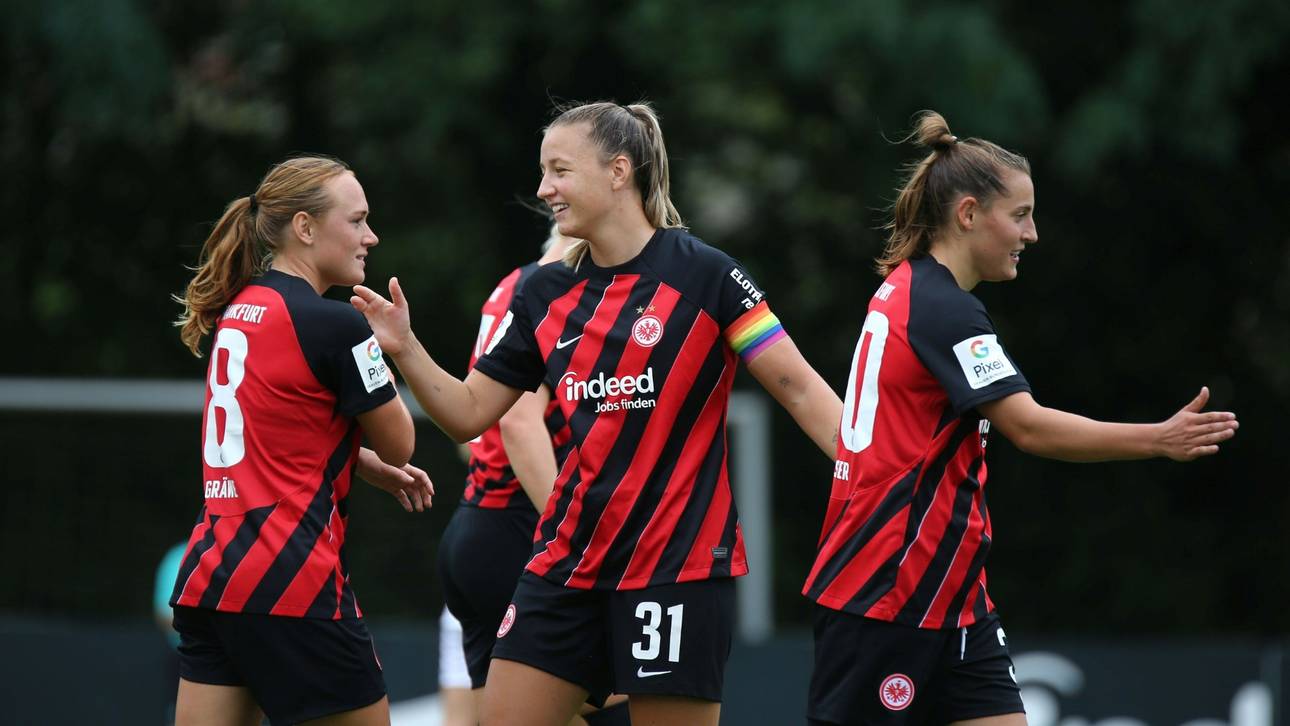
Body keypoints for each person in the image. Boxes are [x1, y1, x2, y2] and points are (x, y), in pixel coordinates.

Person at [352, 101, 843, 726]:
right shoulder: (542, 291)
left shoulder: (708, 275)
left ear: (618, 172)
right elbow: (468, 414)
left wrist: (883, 475)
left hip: (675, 571)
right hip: (565, 566)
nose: (543, 189)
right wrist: (407, 348)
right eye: (542, 171)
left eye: (559, 170)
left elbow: (800, 389)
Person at [802, 111, 1240, 725]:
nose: (1032, 234)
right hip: (888, 594)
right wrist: (1157, 439)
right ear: (969, 214)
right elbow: (1027, 426)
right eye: (1021, 216)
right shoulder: (943, 309)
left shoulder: (916, 291)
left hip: (954, 600)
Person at [170, 155, 432, 726]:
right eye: (358, 220)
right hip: (291, 582)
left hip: (212, 581)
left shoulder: (238, 309)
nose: (371, 236)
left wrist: (353, 461)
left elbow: (276, 431)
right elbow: (403, 444)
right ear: (306, 228)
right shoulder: (336, 324)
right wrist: (393, 345)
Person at [436, 224, 630, 725]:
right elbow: (518, 421)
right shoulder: (556, 291)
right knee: (620, 699)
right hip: (520, 530)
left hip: (479, 526)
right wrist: (572, 537)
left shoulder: (514, 283)